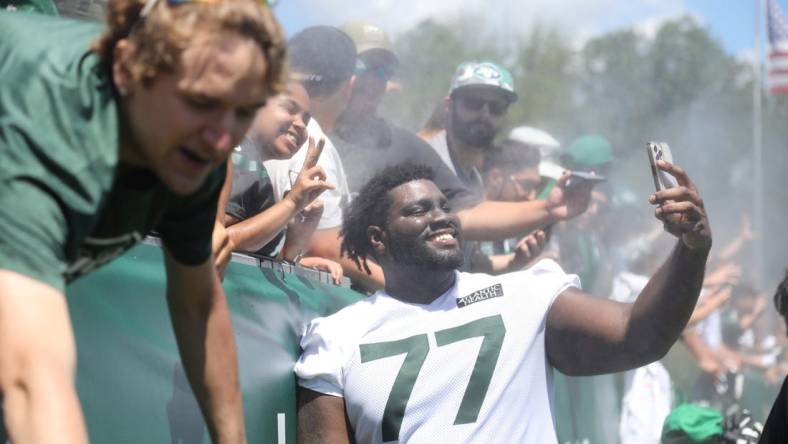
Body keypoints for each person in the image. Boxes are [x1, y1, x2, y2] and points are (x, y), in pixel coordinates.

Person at [0, 0, 285, 441]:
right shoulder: (46, 118)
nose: (222, 139)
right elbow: (31, 384)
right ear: (126, 68)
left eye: (245, 110)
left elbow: (198, 305)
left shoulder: (195, 146)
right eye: (200, 101)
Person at [295, 158, 712, 443]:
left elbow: (636, 335)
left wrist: (692, 250)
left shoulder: (527, 296)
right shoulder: (337, 337)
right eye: (419, 211)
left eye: (444, 206)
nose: (442, 217)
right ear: (377, 239)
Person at [262, 25, 386, 292]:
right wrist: (405, 288)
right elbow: (327, 246)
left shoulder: (266, 131)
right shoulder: (314, 142)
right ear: (349, 86)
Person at [212, 81, 343, 283]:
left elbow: (242, 251)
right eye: (290, 109)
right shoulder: (239, 158)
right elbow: (216, 241)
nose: (300, 124)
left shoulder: (252, 163)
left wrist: (291, 253)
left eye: (306, 120)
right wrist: (291, 204)